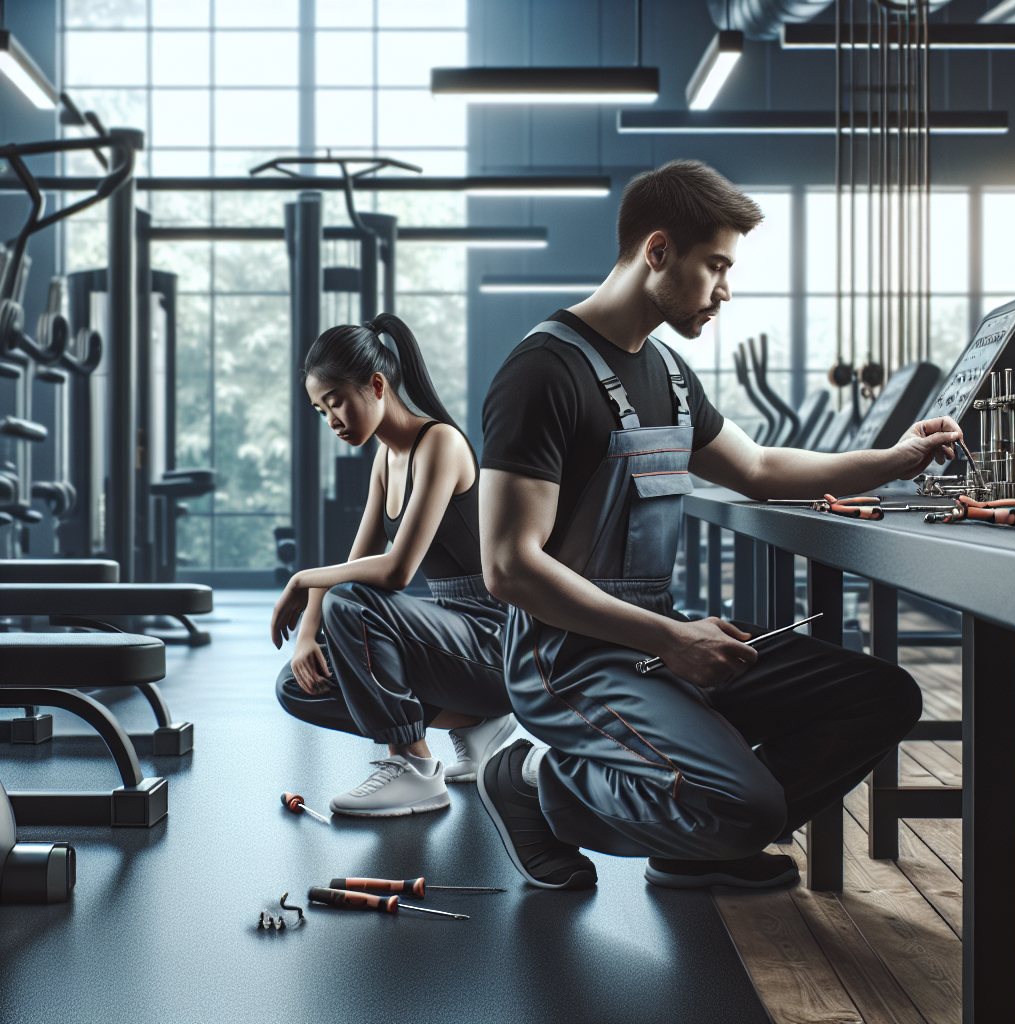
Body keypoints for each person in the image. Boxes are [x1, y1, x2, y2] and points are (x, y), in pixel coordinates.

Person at [475, 159, 953, 891]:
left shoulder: (667, 372)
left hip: (651, 640)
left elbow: (758, 468)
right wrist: (670, 638)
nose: (725, 291)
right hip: (566, 658)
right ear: (658, 251)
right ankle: (536, 778)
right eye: (717, 267)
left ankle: (694, 840)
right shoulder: (542, 372)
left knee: (880, 697)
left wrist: (895, 460)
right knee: (746, 806)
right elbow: (508, 568)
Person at [272, 313, 516, 817]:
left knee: (351, 603)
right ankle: (475, 722)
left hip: (493, 640)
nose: (332, 420)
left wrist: (304, 580)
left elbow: (396, 571)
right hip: (452, 639)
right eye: (321, 411)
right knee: (297, 685)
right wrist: (307, 635)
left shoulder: (441, 443)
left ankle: (413, 766)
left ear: (377, 385)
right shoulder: (386, 458)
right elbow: (356, 561)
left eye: (335, 401)